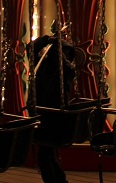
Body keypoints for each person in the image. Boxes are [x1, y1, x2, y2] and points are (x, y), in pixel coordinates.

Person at [29, 33, 77, 183]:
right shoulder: (43, 68)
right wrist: (45, 40)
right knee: (46, 155)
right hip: (46, 118)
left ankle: (58, 181)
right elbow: (30, 50)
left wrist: (57, 47)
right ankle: (60, 180)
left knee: (44, 156)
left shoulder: (66, 72)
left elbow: (62, 66)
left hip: (54, 120)